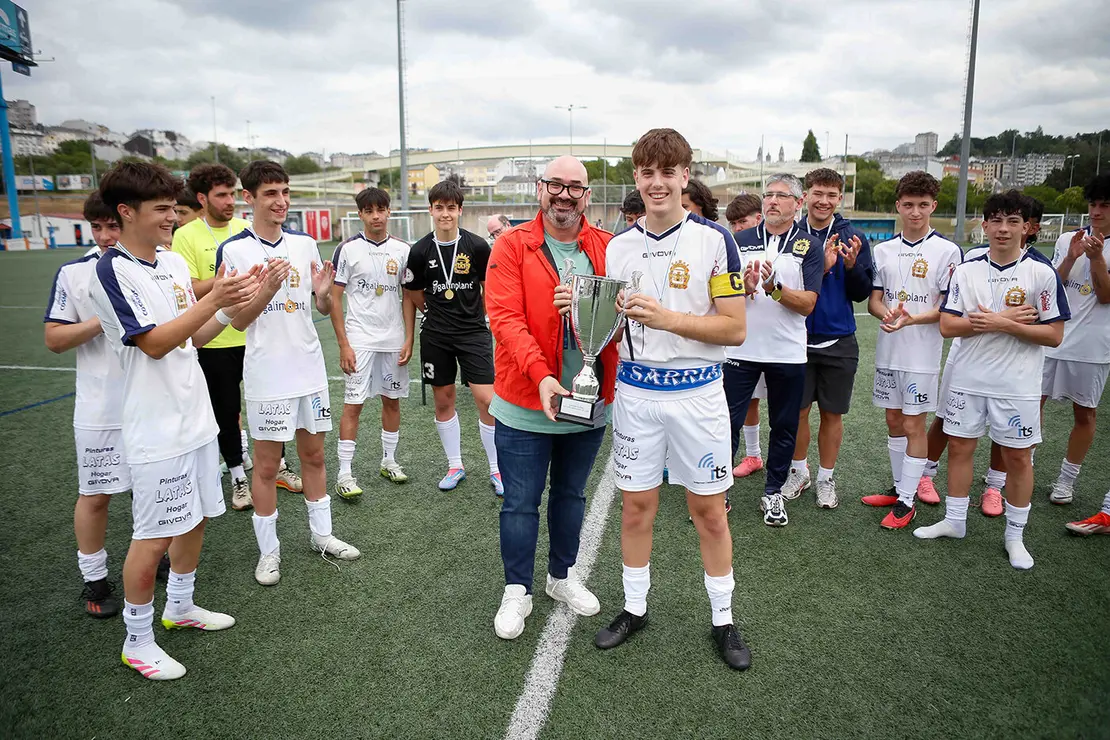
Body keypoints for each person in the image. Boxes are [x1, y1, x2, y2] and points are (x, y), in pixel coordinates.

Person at [91, 161, 261, 679]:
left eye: (173, 207)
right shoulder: (112, 270)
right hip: (155, 429)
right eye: (162, 209)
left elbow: (195, 336)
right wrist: (215, 298)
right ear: (126, 212)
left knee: (197, 517)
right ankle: (137, 641)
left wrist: (238, 301)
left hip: (197, 419)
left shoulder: (169, 263)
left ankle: (180, 606)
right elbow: (156, 343)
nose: (172, 217)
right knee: (153, 537)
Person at [594, 128, 751, 670]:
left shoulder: (715, 240)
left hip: (698, 395)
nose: (656, 183)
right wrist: (584, 312)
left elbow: (734, 329)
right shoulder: (618, 246)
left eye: (668, 172)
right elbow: (610, 331)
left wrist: (668, 319)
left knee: (709, 512)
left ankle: (723, 620)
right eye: (647, 173)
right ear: (637, 179)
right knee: (636, 506)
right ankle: (634, 608)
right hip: (637, 395)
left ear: (686, 176)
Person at [484, 155, 617, 640]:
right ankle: (516, 589)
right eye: (555, 185)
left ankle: (561, 576)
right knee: (520, 503)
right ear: (540, 189)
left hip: (588, 398)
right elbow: (505, 320)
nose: (564, 195)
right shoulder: (511, 245)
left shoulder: (609, 246)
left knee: (571, 494)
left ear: (587, 195)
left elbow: (623, 315)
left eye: (574, 187)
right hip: (525, 401)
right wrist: (541, 377)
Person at [219, 161, 360, 586]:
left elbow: (321, 305)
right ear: (249, 198)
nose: (281, 202)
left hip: (309, 369)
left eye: (285, 192)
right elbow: (237, 321)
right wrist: (266, 290)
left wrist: (323, 296)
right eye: (270, 194)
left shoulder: (304, 244)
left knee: (314, 457)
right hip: (267, 375)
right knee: (266, 467)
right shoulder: (234, 251)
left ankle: (322, 535)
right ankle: (269, 552)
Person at [915, 191, 1068, 569]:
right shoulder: (967, 270)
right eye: (996, 220)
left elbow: (1053, 335)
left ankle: (1015, 537)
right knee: (960, 449)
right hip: (968, 380)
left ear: (1026, 227)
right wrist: (1001, 320)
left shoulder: (1041, 273)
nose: (1003, 229)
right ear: (984, 225)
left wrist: (999, 322)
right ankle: (954, 522)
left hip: (1017, 385)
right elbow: (948, 326)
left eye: (1013, 221)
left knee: (1018, 458)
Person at [44, 192, 129, 617]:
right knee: (96, 495)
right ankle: (94, 579)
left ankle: (159, 556)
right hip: (100, 407)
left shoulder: (158, 265)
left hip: (152, 403)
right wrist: (102, 320)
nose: (105, 235)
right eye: (97, 227)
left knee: (153, 489)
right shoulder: (74, 273)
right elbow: (54, 339)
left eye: (112, 226)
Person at [862, 172, 961, 529]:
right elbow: (874, 301)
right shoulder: (883, 250)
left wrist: (912, 319)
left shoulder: (947, 251)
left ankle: (907, 501)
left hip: (921, 354)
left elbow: (948, 307)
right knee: (893, 419)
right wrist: (887, 314)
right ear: (898, 206)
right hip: (889, 350)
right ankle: (898, 487)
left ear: (933, 206)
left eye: (922, 205)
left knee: (913, 423)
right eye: (908, 205)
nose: (915, 212)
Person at [727, 174, 823, 527]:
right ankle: (717, 492)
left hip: (787, 352)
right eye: (768, 194)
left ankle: (773, 493)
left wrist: (774, 287)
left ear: (798, 203)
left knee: (784, 425)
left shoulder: (809, 245)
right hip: (741, 348)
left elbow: (808, 304)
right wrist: (745, 288)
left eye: (781, 196)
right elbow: (720, 292)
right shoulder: (738, 240)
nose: (771, 201)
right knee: (727, 422)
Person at [780, 169, 873, 508]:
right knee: (798, 411)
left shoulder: (853, 237)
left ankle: (825, 478)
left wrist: (851, 267)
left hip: (839, 338)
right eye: (818, 193)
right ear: (806, 196)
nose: (824, 201)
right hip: (795, 337)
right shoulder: (790, 235)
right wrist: (821, 267)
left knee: (833, 414)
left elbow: (861, 293)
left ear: (839, 198)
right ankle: (798, 471)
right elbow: (782, 286)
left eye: (831, 195)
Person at [402, 180, 501, 494]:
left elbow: (489, 288)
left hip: (473, 333)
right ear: (430, 210)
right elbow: (413, 293)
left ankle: (497, 469)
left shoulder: (477, 246)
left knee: (487, 400)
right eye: (439, 208)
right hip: (436, 336)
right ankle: (455, 465)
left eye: (451, 208)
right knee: (443, 400)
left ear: (460, 210)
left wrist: (484, 318)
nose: (445, 214)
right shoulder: (419, 250)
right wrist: (429, 317)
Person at [172, 164, 254, 510]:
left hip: (253, 335)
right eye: (222, 195)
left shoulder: (246, 229)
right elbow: (188, 288)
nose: (230, 201)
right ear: (202, 199)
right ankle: (238, 478)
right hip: (214, 339)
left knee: (267, 403)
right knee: (226, 411)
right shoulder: (185, 235)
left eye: (232, 194)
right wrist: (222, 285)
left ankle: (279, 464)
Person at [330, 187, 415, 498]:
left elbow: (409, 297)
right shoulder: (347, 249)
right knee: (353, 404)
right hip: (360, 340)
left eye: (381, 210)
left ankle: (389, 461)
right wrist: (343, 344)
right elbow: (335, 298)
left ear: (389, 212)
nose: (376, 216)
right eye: (369, 211)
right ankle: (344, 473)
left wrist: (409, 337)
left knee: (391, 401)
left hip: (393, 339)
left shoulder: (403, 250)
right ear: (360, 215)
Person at [1045, 175, 1110, 515]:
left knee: (1084, 413)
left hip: (1092, 346)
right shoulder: (1068, 238)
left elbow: (1105, 296)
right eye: (1093, 204)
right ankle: (1017, 463)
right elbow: (1051, 286)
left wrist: (1097, 258)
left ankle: (1066, 480)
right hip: (1053, 338)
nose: (1096, 212)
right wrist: (1070, 258)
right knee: (1031, 402)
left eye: (1105, 205)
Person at [724, 193, 767, 475]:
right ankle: (753, 455)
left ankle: (795, 463)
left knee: (789, 406)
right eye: (734, 224)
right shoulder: (731, 247)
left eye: (743, 222)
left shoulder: (775, 244)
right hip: (742, 339)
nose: (738, 228)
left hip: (775, 340)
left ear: (758, 218)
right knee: (748, 400)